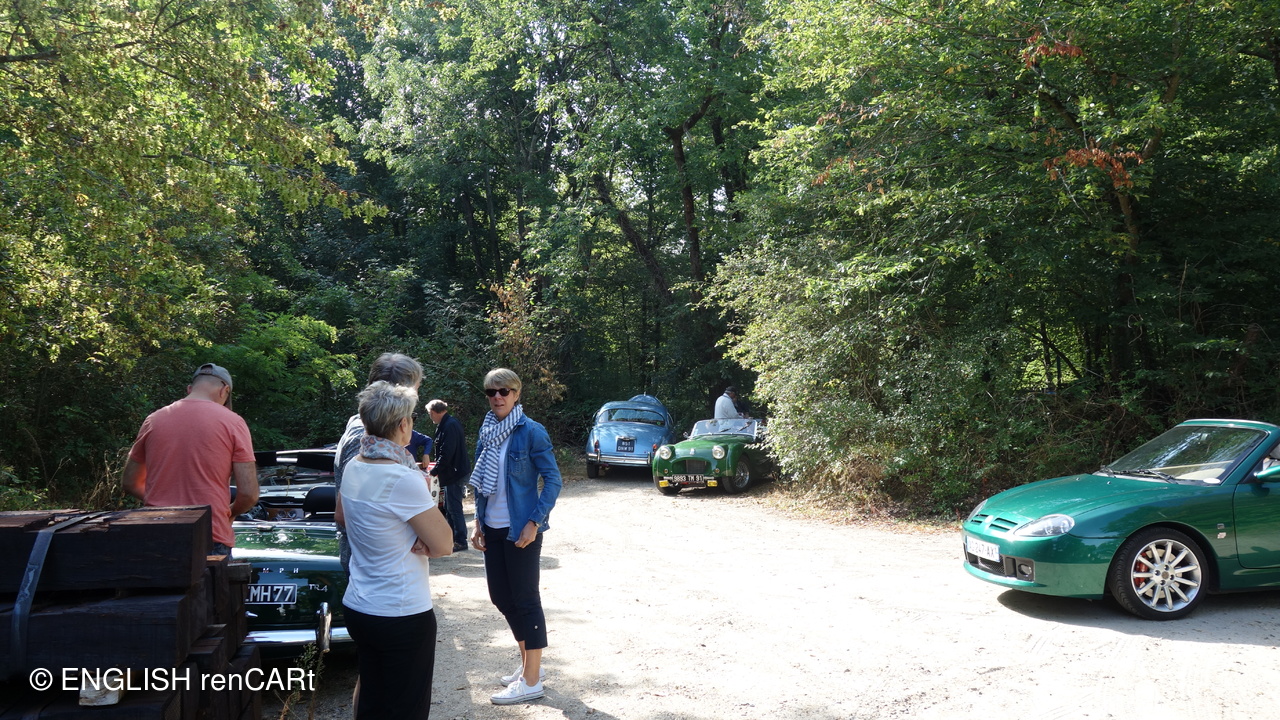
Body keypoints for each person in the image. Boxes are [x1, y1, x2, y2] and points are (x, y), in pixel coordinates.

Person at [336, 381, 453, 720]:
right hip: (400, 612)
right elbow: (444, 543)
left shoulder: (354, 466)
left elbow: (343, 517)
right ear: (403, 424)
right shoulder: (402, 478)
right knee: (406, 709)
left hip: (360, 605)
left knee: (372, 704)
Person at [470, 369, 562, 705]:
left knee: (526, 600)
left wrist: (535, 521)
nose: (497, 397)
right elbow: (481, 485)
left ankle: (532, 680)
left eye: (504, 391)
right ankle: (528, 666)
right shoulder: (486, 432)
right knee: (501, 597)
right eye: (491, 392)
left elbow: (553, 480)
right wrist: (478, 521)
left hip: (521, 530)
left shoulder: (531, 431)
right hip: (492, 528)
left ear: (517, 394)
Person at [122, 363, 259, 555]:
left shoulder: (153, 420)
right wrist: (231, 512)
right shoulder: (233, 422)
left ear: (189, 389)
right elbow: (249, 493)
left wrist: (161, 502)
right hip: (209, 535)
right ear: (224, 391)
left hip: (157, 532)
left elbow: (130, 482)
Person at [334, 352, 424, 572]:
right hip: (373, 568)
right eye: (416, 389)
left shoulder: (371, 432)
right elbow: (344, 513)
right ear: (400, 393)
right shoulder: (364, 437)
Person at [427, 399, 471, 552]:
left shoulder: (449, 425)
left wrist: (435, 470)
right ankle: (451, 539)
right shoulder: (448, 424)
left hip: (455, 473)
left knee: (454, 507)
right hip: (452, 472)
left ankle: (461, 541)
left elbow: (447, 452)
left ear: (434, 412)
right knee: (448, 507)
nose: (430, 417)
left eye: (430, 414)